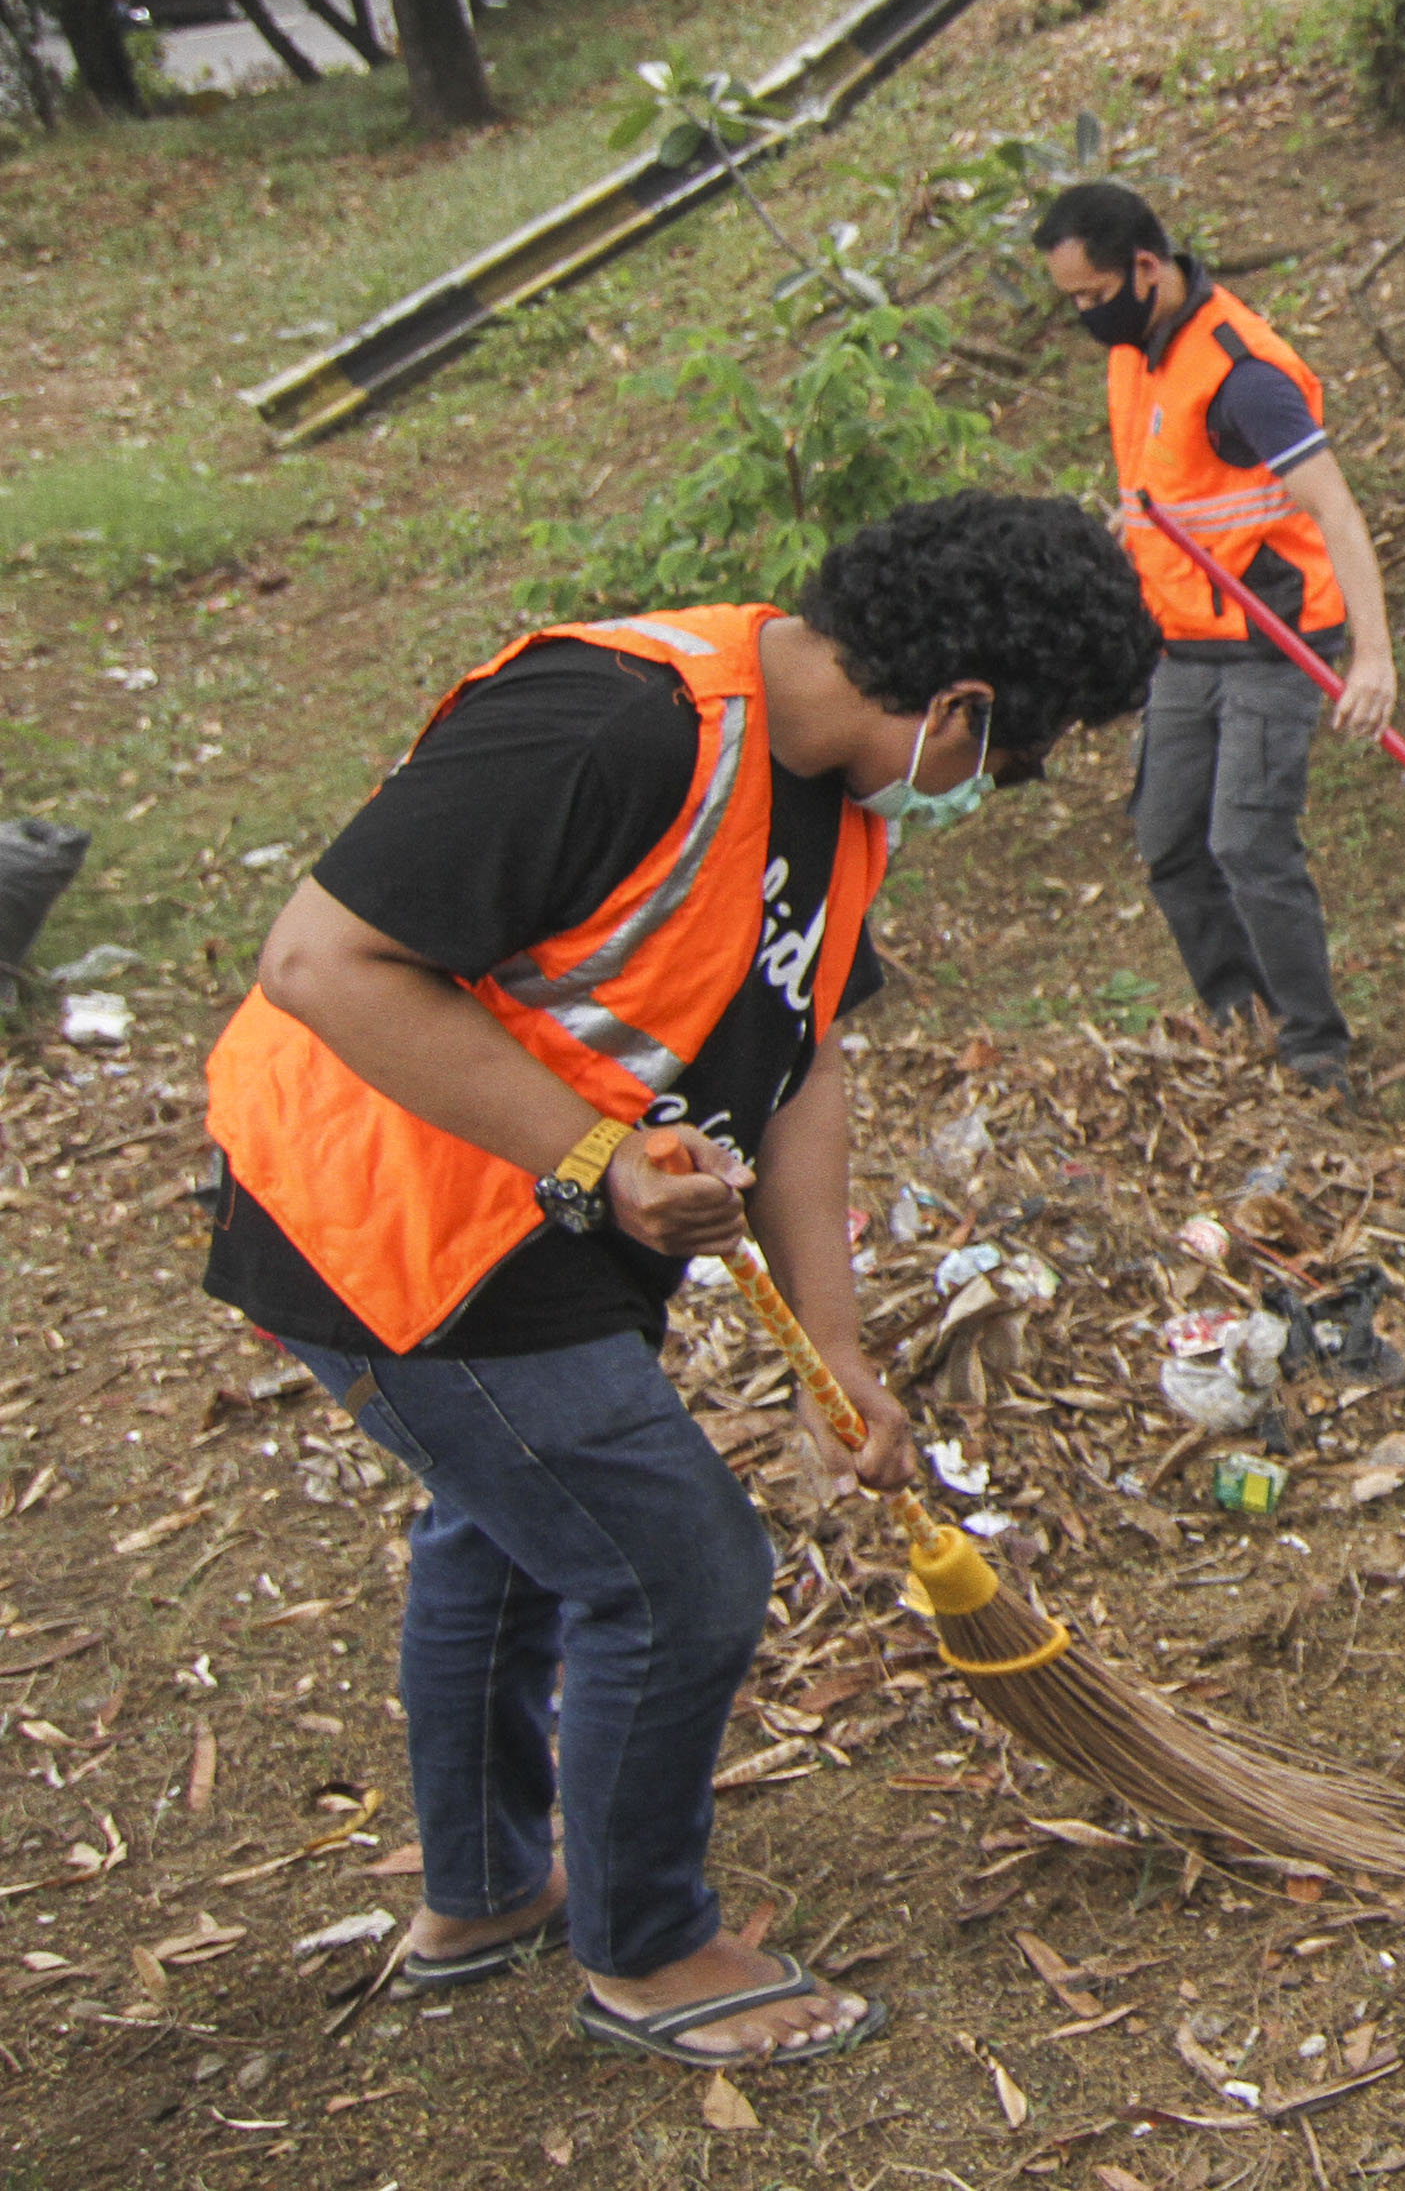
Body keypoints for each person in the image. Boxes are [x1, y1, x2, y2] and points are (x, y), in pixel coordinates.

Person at [199, 494, 1158, 2071]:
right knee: (680, 1569)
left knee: (507, 1534)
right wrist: (593, 1151)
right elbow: (317, 960)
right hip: (391, 1219)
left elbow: (799, 1058)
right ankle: (644, 1948)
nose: (995, 787)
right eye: (1015, 753)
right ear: (965, 705)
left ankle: (490, 1891)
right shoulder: (609, 728)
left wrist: (832, 1343)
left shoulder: (838, 800)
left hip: (541, 1218)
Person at [1033, 180, 1398, 1091]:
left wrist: (1374, 657)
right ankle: (1241, 1016)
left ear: (1145, 268)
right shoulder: (1135, 351)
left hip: (1271, 645)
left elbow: (1337, 510)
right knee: (1168, 838)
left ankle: (1316, 1050)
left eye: (1090, 295)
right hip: (1183, 645)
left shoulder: (1244, 375)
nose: (1083, 315)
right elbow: (1167, 489)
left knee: (1246, 842)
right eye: (1069, 298)